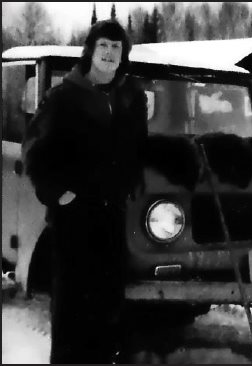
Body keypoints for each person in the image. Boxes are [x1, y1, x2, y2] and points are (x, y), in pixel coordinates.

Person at [22, 19, 148, 363]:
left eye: (116, 47)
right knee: (73, 308)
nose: (109, 53)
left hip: (113, 214)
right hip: (74, 217)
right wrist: (56, 192)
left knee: (108, 306)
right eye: (103, 45)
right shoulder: (64, 96)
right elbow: (34, 148)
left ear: (124, 55)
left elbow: (141, 147)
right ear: (90, 50)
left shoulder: (132, 97)